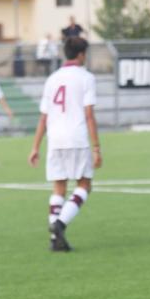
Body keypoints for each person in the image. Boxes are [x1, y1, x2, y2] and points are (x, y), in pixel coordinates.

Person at [28, 37, 102, 252]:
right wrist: (96, 148)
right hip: (77, 138)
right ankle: (59, 224)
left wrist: (35, 147)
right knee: (84, 184)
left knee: (59, 187)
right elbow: (89, 115)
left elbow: (43, 117)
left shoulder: (52, 79)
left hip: (55, 139)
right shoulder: (86, 78)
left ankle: (55, 240)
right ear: (81, 54)